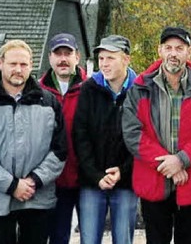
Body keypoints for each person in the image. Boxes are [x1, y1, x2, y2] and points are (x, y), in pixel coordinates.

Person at [122, 27, 191, 244]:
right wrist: (169, 165)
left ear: (189, 52)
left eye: (179, 48)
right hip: (153, 180)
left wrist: (181, 160)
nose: (173, 53)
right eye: (168, 48)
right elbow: (132, 133)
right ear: (160, 51)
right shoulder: (140, 89)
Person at [0, 39, 67, 244]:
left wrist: (33, 181)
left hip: (37, 197)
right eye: (13, 64)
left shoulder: (48, 102)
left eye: (23, 64)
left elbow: (60, 150)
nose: (18, 70)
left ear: (31, 66)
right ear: (0, 63)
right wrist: (11, 185)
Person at [74, 35, 138, 244]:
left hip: (126, 181)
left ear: (126, 59)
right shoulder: (89, 89)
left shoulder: (140, 91)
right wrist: (95, 174)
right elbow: (80, 135)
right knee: (89, 239)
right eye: (101, 58)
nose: (104, 64)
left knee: (123, 239)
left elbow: (143, 138)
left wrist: (123, 170)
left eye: (110, 58)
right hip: (92, 182)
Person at [38, 33, 87, 244]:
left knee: (90, 235)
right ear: (50, 58)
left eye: (68, 53)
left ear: (78, 56)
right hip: (54, 179)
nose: (63, 59)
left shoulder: (92, 89)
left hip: (87, 177)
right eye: (58, 54)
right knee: (58, 236)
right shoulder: (38, 91)